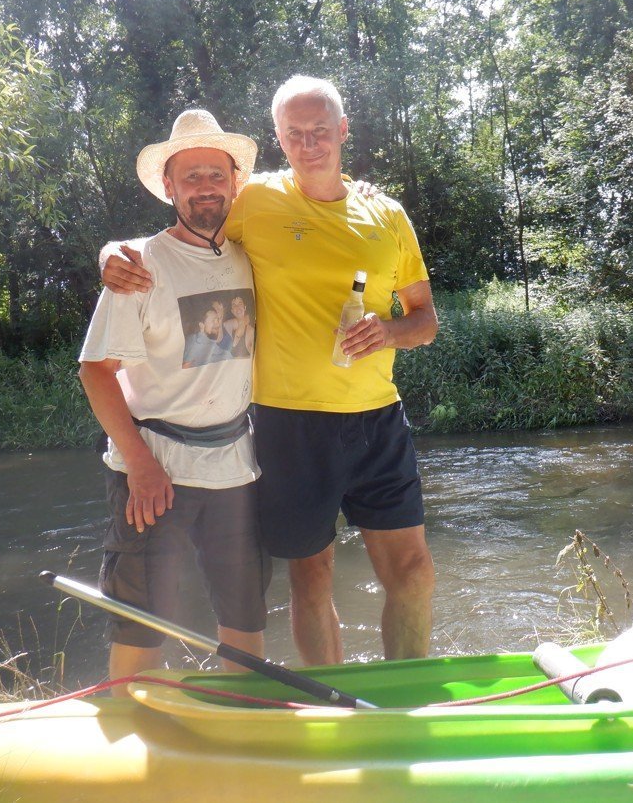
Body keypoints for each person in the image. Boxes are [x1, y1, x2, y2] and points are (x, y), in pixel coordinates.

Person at [103, 76, 439, 666]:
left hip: (379, 419)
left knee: (412, 572)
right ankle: (334, 710)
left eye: (318, 131)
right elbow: (178, 235)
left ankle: (404, 697)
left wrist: (389, 331)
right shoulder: (254, 201)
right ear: (280, 139)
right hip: (291, 423)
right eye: (294, 133)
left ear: (342, 131)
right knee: (313, 576)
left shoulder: (387, 216)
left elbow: (426, 319)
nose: (308, 144)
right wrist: (109, 254)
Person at [79, 109, 270, 694]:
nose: (206, 186)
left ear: (235, 182)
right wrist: (139, 464)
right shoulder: (137, 266)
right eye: (191, 177)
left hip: (236, 466)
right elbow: (95, 371)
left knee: (245, 622)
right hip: (153, 468)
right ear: (169, 187)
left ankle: (242, 733)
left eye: (216, 174)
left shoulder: (249, 250)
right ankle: (137, 748)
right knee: (142, 627)